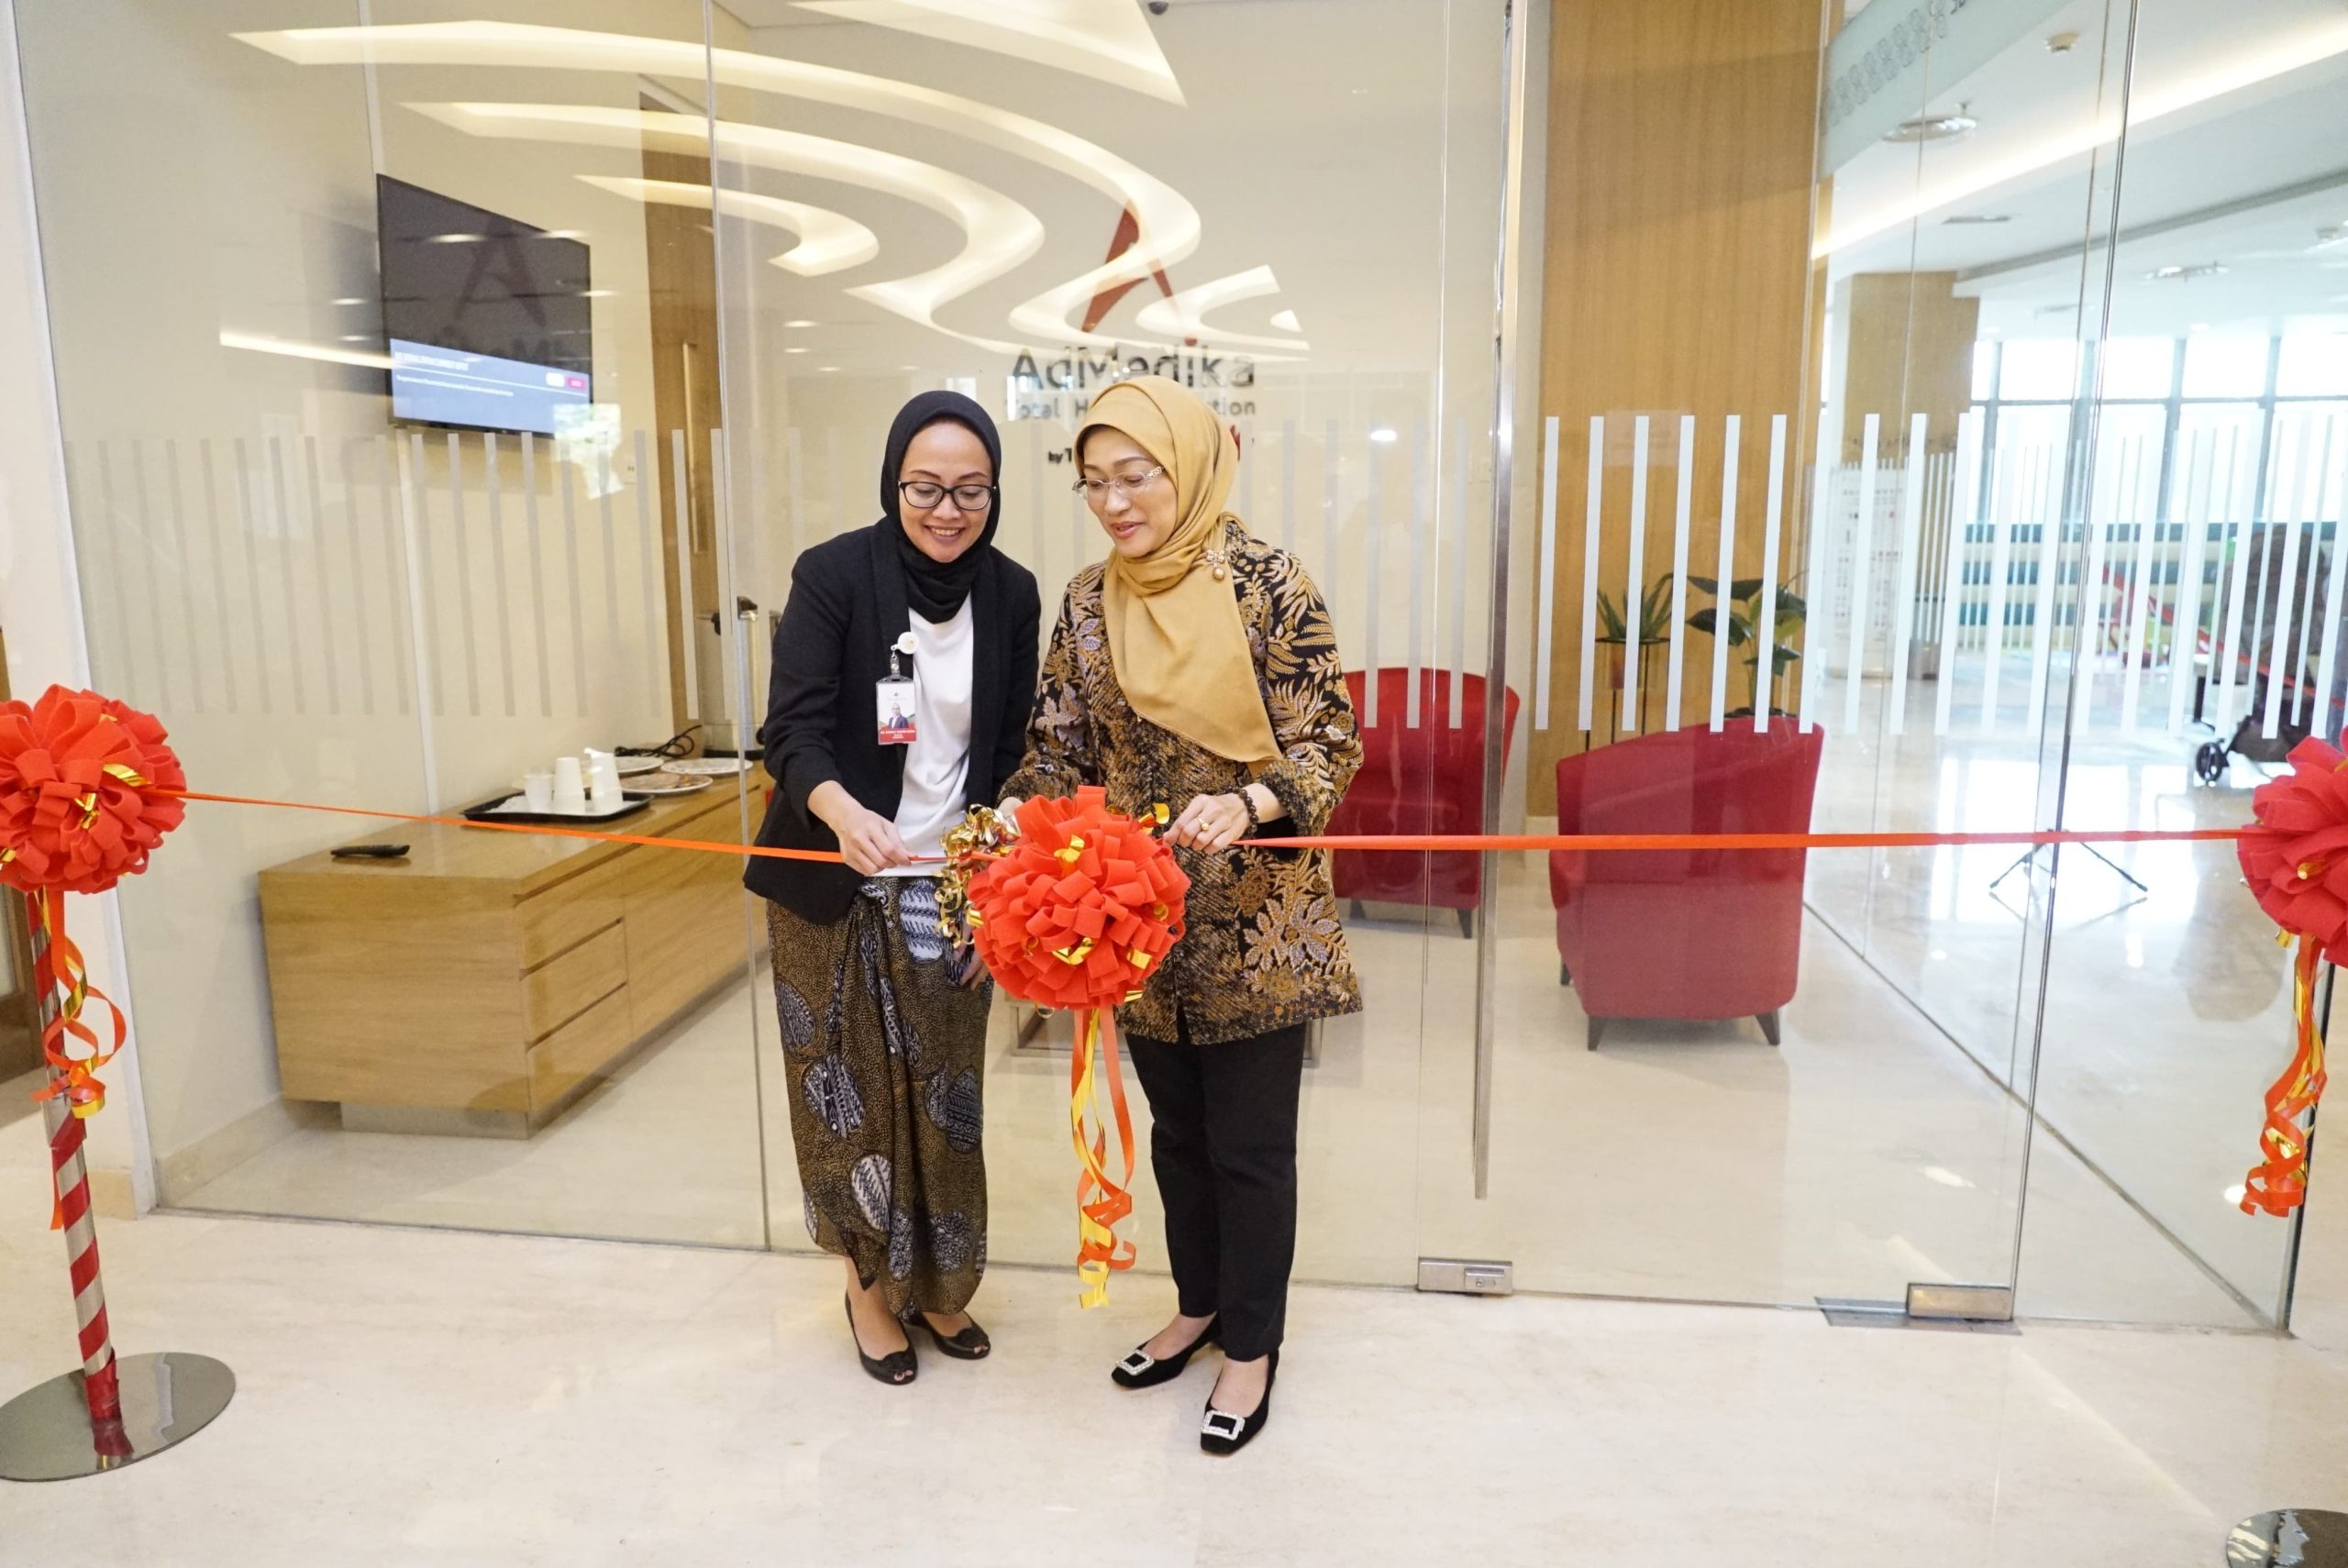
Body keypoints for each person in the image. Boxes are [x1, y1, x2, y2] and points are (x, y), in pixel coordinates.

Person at [1002, 375, 1361, 1454]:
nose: (1114, 503)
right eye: (1093, 482)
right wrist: (1021, 812)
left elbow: (1329, 742)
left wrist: (1251, 802)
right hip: (1133, 922)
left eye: (1136, 476)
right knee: (1177, 1139)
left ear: (1192, 468)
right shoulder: (1085, 602)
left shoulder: (1268, 585)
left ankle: (1251, 1346)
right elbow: (1056, 747)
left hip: (1257, 923)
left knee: (1250, 1148)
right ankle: (1197, 1306)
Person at [746, 391, 1040, 1386]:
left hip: (949, 886)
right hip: (831, 880)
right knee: (848, 1106)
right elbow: (791, 731)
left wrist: (996, 864)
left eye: (970, 490)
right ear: (893, 483)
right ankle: (867, 1290)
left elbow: (1013, 750)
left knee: (947, 1099)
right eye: (925, 488)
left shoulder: (1012, 593)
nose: (947, 510)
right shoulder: (833, 575)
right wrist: (839, 811)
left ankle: (941, 1287)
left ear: (993, 492)